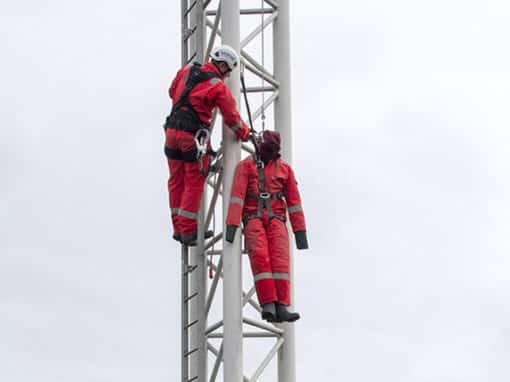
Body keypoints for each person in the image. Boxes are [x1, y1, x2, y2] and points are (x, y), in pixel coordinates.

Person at [164, 45, 251, 246]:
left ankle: (178, 228)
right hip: (192, 135)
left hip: (171, 132)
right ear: (221, 65)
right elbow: (232, 118)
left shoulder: (186, 71)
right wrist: (245, 134)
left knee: (176, 180)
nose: (228, 75)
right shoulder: (217, 86)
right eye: (228, 70)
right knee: (194, 179)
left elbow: (171, 92)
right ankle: (187, 231)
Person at [225, 130, 309, 322]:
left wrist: (300, 233)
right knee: (261, 258)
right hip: (253, 217)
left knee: (280, 261)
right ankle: (268, 304)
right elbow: (237, 198)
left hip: (276, 219)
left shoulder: (284, 170)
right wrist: (232, 226)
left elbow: (294, 203)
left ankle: (281, 306)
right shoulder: (246, 166)